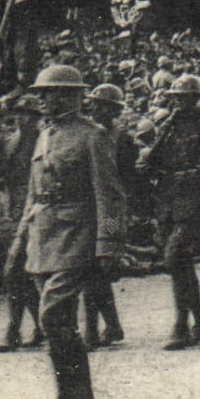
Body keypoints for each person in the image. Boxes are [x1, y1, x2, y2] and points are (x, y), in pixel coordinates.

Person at [14, 65, 125, 399]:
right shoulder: (43, 135)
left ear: (71, 96)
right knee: (58, 323)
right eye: (42, 93)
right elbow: (34, 193)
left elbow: (110, 195)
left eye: (51, 92)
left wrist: (108, 243)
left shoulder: (93, 136)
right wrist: (20, 237)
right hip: (43, 237)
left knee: (52, 316)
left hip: (77, 235)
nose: (43, 99)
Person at [136, 73, 200, 350]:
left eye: (183, 98)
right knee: (182, 263)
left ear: (196, 99)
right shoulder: (169, 126)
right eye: (174, 98)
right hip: (169, 200)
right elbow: (155, 159)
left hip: (197, 202)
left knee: (174, 256)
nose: (177, 102)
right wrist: (146, 164)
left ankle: (181, 325)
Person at [0, 92, 45, 352]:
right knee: (17, 272)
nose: (23, 119)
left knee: (20, 271)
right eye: (19, 114)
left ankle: (16, 331)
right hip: (15, 212)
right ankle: (30, 328)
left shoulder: (44, 141)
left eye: (28, 115)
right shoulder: (10, 142)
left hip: (39, 212)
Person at [80, 84, 128, 348]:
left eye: (103, 105)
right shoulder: (89, 134)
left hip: (111, 211)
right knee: (94, 271)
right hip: (92, 210)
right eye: (95, 104)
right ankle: (110, 326)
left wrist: (114, 228)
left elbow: (126, 182)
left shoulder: (122, 138)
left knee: (99, 269)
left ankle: (94, 329)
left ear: (114, 110)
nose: (96, 108)